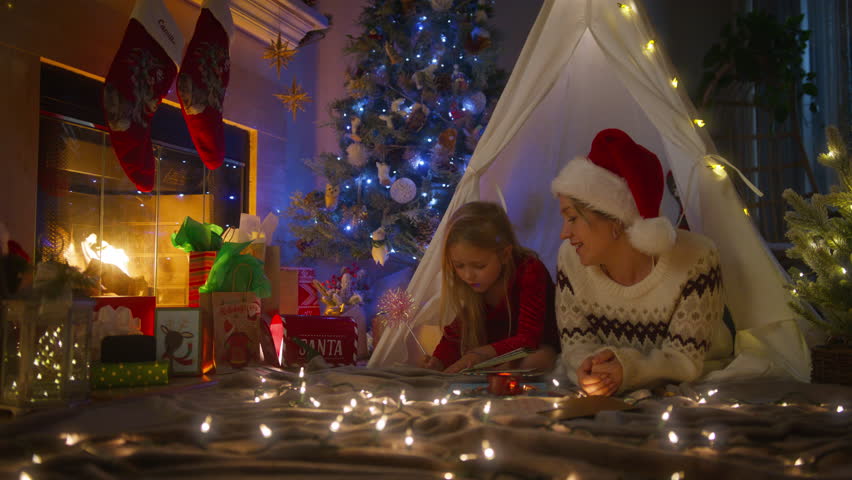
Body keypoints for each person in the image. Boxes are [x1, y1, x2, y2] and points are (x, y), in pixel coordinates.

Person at [550, 128, 726, 396]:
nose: (564, 233)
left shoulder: (696, 259)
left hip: (699, 385)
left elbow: (685, 361)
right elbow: (576, 344)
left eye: (573, 218)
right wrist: (590, 371)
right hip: (611, 387)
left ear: (616, 220)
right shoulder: (570, 259)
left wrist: (627, 370)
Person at [419, 201, 560, 373]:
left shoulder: (529, 270)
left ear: (504, 254)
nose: (468, 276)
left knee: (540, 359)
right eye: (459, 266)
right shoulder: (476, 285)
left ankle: (489, 375)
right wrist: (438, 361)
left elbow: (529, 340)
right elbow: (456, 334)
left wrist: (483, 354)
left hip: (535, 350)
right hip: (493, 358)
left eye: (479, 266)